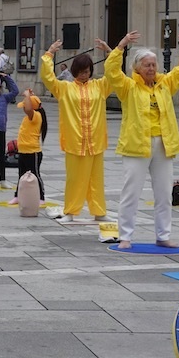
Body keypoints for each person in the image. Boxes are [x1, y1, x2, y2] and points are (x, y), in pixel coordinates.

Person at [102, 31, 179, 250]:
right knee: (131, 193)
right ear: (137, 68)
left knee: (164, 193)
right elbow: (111, 71)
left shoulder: (165, 84)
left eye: (153, 65)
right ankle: (125, 236)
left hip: (163, 144)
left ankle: (163, 235)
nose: (152, 69)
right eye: (147, 65)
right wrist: (121, 45)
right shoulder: (128, 87)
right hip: (136, 146)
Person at [41, 42, 114, 223]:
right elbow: (48, 78)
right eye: (82, 71)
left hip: (95, 140)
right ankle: (71, 211)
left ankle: (99, 211)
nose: (85, 75)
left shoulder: (99, 86)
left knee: (96, 179)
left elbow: (114, 76)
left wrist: (111, 53)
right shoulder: (65, 88)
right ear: (75, 71)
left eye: (88, 71)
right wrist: (49, 55)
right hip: (75, 141)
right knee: (74, 179)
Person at [10, 89, 47, 205]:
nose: (23, 108)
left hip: (33, 152)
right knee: (21, 175)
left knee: (35, 175)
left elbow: (29, 109)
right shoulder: (27, 118)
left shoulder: (36, 116)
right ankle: (17, 196)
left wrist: (27, 95)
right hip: (23, 151)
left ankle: (41, 197)